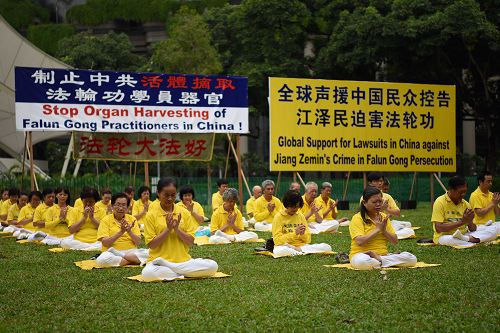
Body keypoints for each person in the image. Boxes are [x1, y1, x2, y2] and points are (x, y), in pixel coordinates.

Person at [141, 178, 218, 280]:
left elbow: (190, 242)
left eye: (173, 195)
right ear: (158, 193)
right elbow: (152, 244)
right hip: (157, 262)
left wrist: (177, 229)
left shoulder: (184, 212)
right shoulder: (151, 215)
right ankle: (183, 273)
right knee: (147, 273)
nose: (169, 198)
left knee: (213, 266)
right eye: (166, 195)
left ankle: (173, 270)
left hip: (183, 261)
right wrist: (168, 230)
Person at [349, 187, 417, 270]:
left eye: (380, 201)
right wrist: (378, 229)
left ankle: (380, 260)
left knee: (412, 258)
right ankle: (385, 261)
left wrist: (383, 230)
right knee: (363, 262)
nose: (378, 204)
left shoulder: (384, 217)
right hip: (361, 254)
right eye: (374, 202)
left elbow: (395, 241)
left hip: (382, 255)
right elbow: (360, 241)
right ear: (364, 203)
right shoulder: (357, 218)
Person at [431, 176, 497, 247]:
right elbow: (439, 228)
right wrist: (462, 222)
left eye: (465, 192)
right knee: (450, 239)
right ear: (451, 189)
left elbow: (472, 229)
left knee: (492, 232)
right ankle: (474, 242)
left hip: (464, 235)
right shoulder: (440, 202)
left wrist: (469, 221)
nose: (463, 194)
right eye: (460, 192)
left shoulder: (466, 204)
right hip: (445, 235)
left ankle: (466, 240)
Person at [272, 190, 332, 257]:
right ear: (287, 204)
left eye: (297, 206)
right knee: (280, 251)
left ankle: (298, 251)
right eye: (292, 206)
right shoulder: (278, 217)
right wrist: (295, 233)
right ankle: (300, 251)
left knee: (327, 247)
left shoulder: (300, 216)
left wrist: (302, 234)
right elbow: (277, 240)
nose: (295, 209)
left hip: (301, 246)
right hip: (285, 246)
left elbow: (308, 240)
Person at [96, 193, 148, 267]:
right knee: (101, 260)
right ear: (112, 206)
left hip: (131, 252)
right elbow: (105, 243)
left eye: (123, 205)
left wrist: (129, 231)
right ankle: (133, 261)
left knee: (150, 253)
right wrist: (121, 232)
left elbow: (138, 242)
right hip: (112, 252)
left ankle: (123, 258)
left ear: (127, 207)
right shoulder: (106, 220)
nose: (120, 208)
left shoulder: (132, 219)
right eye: (118, 205)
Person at [362, 172, 414, 239]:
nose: (380, 183)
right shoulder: (365, 197)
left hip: (387, 224)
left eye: (381, 181)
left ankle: (387, 233)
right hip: (371, 225)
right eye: (376, 181)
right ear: (370, 183)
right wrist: (381, 209)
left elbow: (398, 213)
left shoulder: (387, 196)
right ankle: (386, 233)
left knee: (408, 225)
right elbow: (365, 214)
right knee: (407, 231)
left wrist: (387, 209)